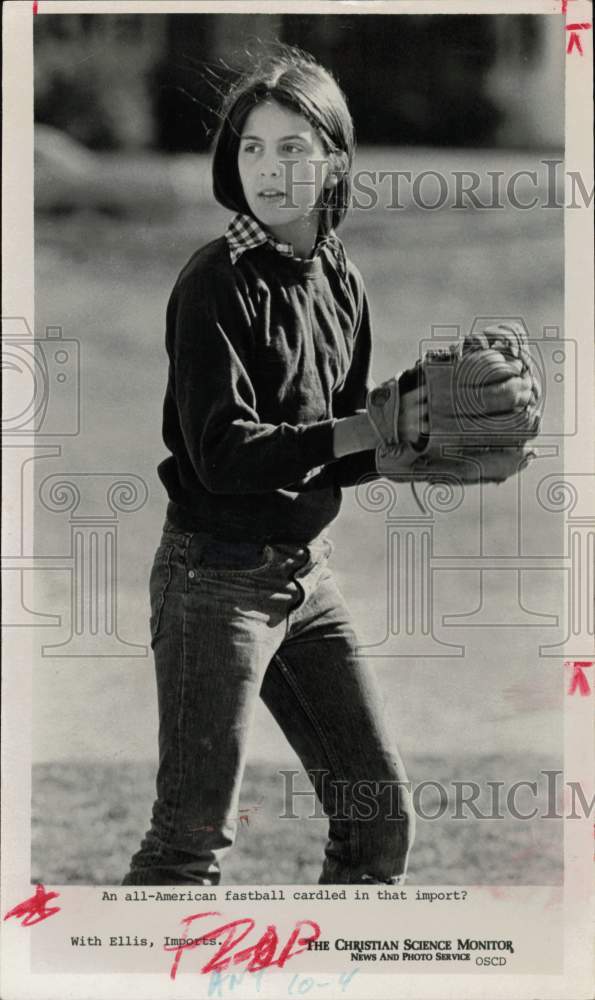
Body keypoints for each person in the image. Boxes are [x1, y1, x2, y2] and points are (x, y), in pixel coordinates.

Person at [123, 47, 423, 887]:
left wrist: (407, 447)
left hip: (307, 581)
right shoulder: (214, 282)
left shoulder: (342, 281)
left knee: (377, 823)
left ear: (333, 158)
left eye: (293, 147)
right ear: (232, 162)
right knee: (188, 845)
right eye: (253, 147)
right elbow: (223, 456)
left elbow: (331, 446)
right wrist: (359, 431)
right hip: (211, 582)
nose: (271, 168)